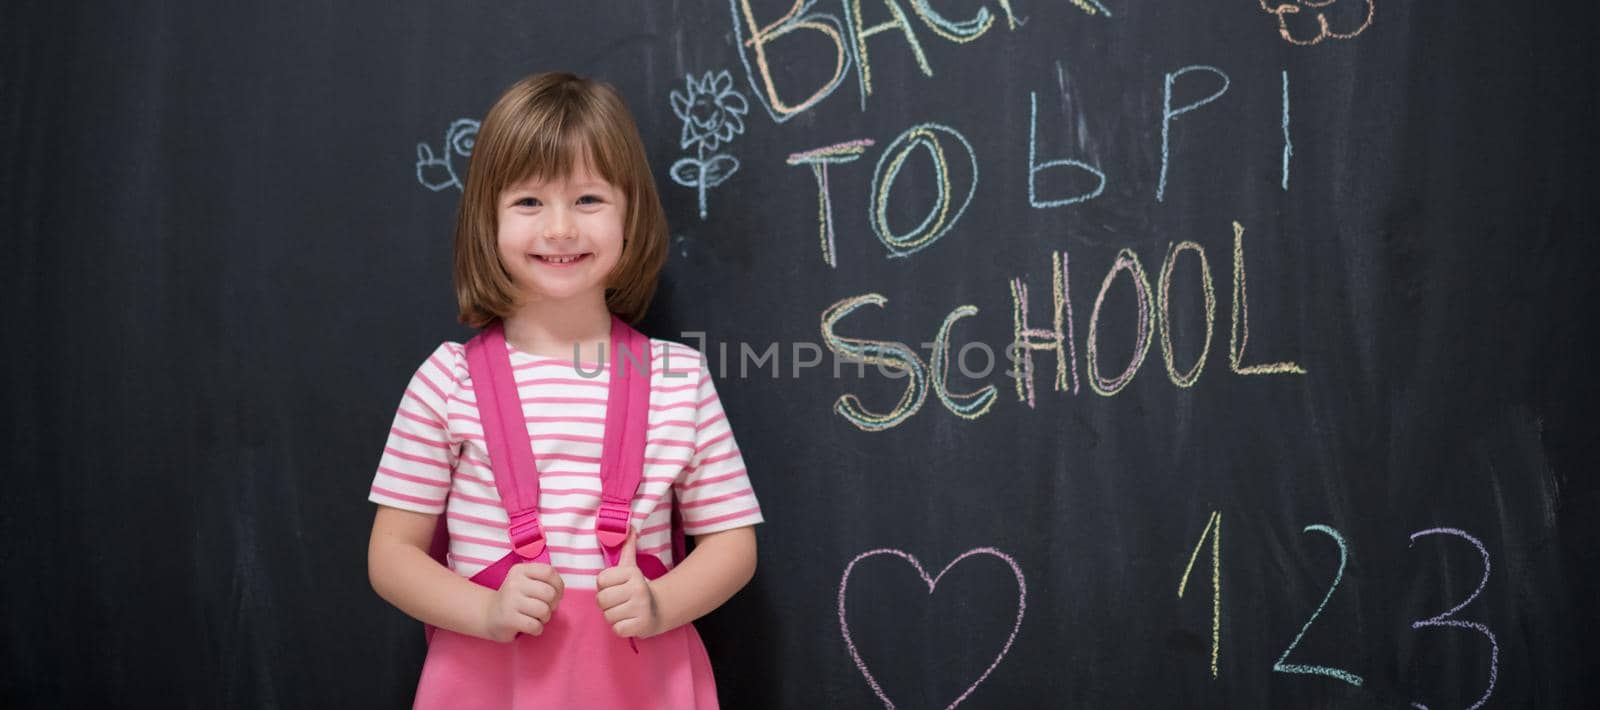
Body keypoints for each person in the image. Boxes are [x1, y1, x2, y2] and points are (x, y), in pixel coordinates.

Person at [365, 72, 763, 708]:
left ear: (630, 213)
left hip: (642, 681)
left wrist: (661, 604)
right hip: (488, 679)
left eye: (588, 200)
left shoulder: (678, 377)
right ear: (486, 220)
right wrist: (488, 610)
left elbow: (732, 544)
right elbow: (392, 556)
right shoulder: (448, 381)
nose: (559, 229)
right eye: (528, 203)